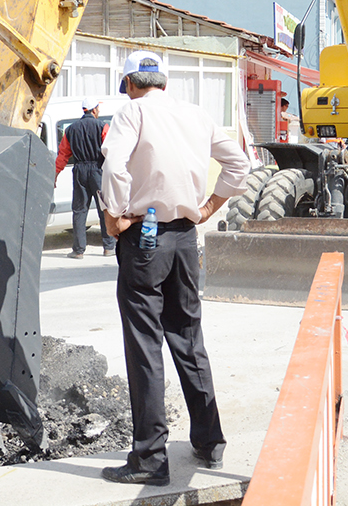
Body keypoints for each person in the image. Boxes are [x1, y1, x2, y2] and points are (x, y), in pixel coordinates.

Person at [99, 50, 249, 487]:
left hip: (144, 238)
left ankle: (149, 459)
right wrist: (208, 208)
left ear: (129, 83)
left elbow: (114, 165)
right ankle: (209, 441)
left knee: (145, 346)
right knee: (188, 338)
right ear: (163, 81)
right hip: (186, 238)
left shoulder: (132, 113)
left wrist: (114, 215)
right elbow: (240, 164)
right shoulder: (197, 115)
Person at [55, 98, 116, 258]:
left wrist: (55, 174)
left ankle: (78, 250)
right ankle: (109, 247)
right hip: (98, 170)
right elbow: (111, 151)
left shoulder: (70, 130)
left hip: (80, 171)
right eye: (98, 108)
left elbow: (63, 155)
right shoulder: (103, 126)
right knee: (104, 209)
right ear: (94, 110)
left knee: (80, 210)